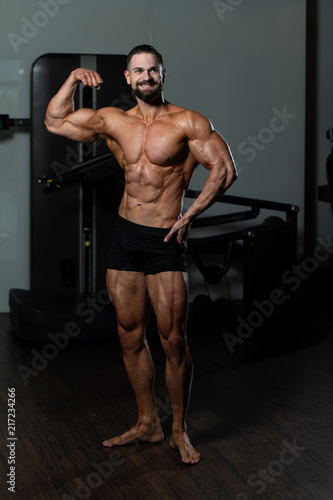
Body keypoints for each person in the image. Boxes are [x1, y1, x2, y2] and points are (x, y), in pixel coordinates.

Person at [45, 44, 237, 464]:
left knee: (173, 341)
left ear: (163, 74)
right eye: (138, 71)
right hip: (125, 237)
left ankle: (179, 432)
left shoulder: (188, 121)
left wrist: (189, 216)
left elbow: (225, 169)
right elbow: (55, 121)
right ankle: (148, 422)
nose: (146, 77)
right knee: (129, 335)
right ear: (128, 78)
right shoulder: (114, 121)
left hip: (164, 240)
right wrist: (74, 78)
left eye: (153, 70)